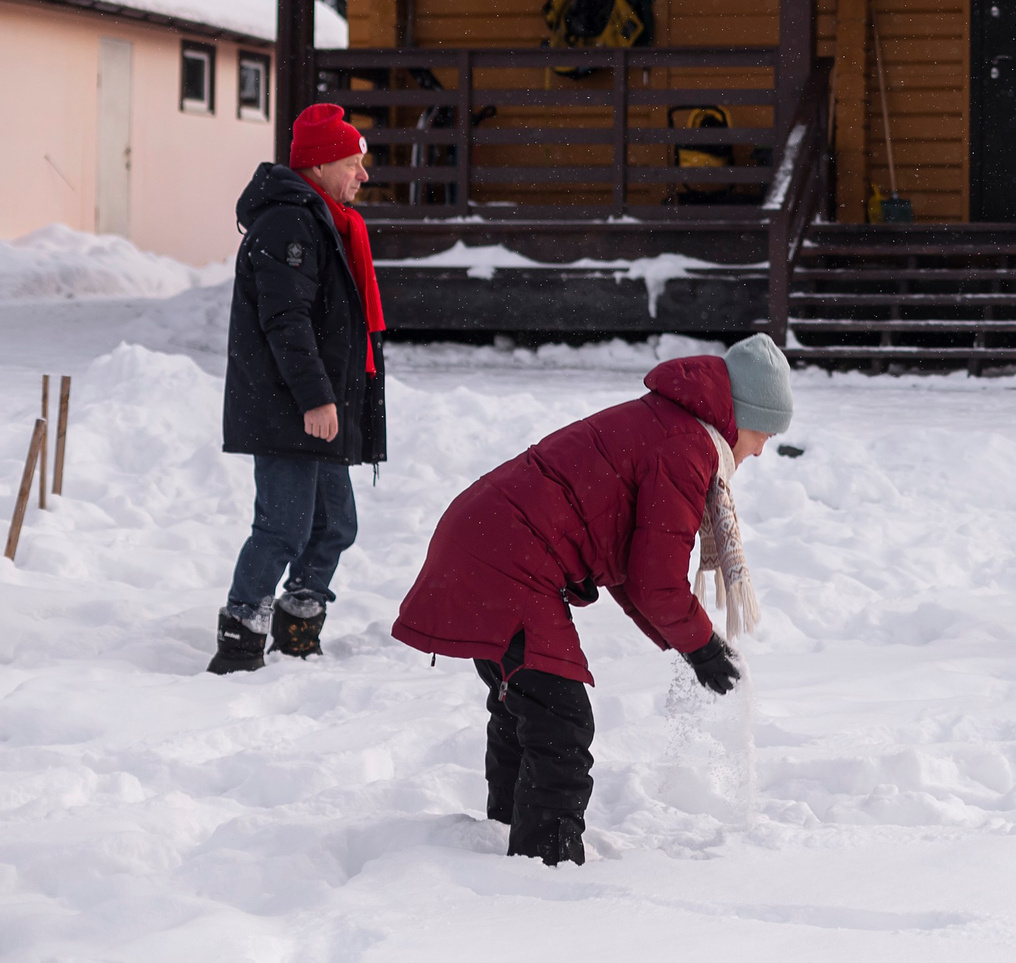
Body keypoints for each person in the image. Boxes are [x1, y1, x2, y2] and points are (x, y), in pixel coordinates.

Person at [391, 335, 794, 865]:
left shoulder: (669, 424)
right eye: (764, 433)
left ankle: (503, 838)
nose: (761, 450)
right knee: (561, 724)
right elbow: (656, 581)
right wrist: (701, 645)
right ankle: (544, 867)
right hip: (508, 560)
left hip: (486, 540)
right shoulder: (686, 448)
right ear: (741, 417)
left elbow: (630, 565)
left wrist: (690, 644)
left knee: (527, 708)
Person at [208, 103, 388, 675]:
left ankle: (297, 627)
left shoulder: (322, 220)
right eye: (353, 163)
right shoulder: (288, 224)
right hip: (289, 405)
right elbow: (286, 320)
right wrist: (316, 397)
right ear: (320, 165)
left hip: (315, 402)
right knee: (283, 528)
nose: (363, 175)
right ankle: (240, 638)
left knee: (334, 526)